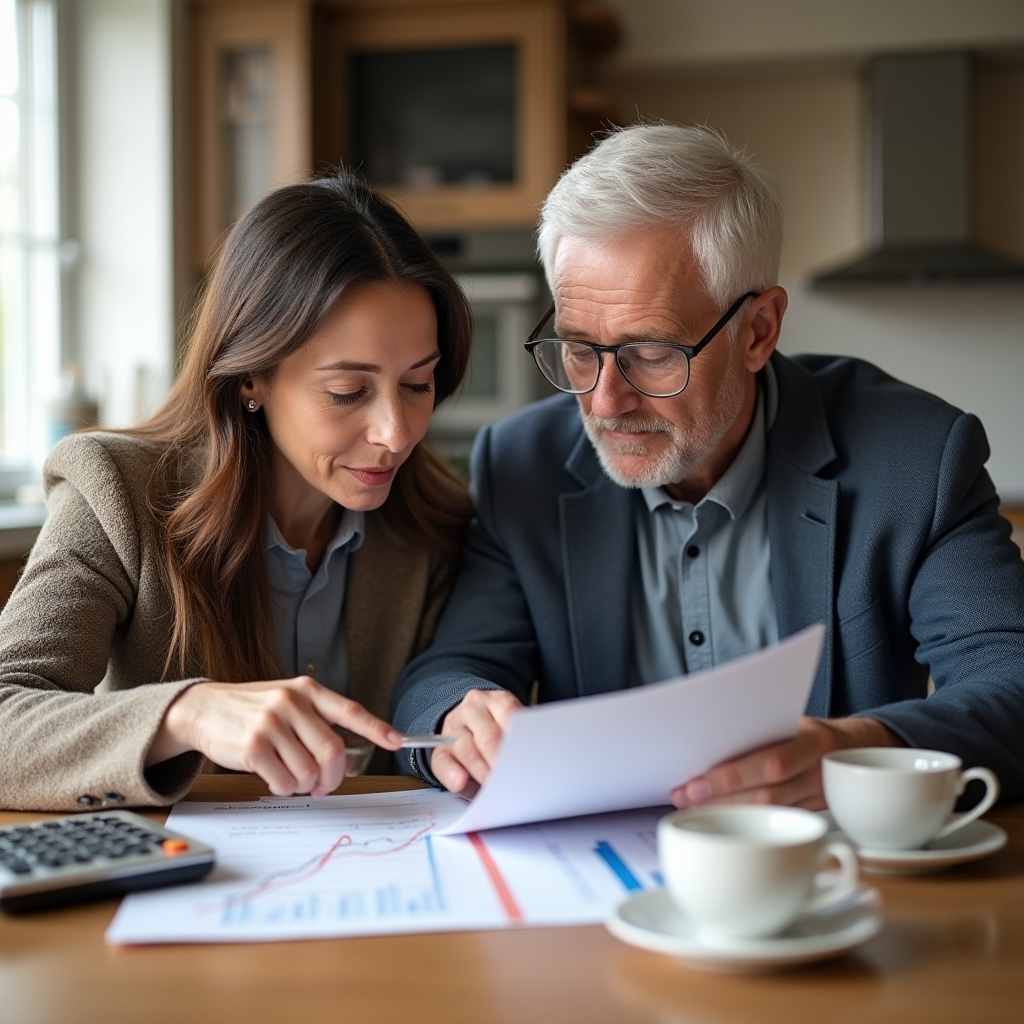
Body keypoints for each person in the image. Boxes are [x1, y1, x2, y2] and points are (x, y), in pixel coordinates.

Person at [391, 124, 1024, 808]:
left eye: (654, 351)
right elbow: (444, 674)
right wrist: (460, 712)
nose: (606, 400)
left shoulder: (916, 458)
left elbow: (1011, 684)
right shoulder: (525, 466)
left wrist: (851, 755)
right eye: (578, 348)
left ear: (758, 331)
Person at [0, 173, 474, 811]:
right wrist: (186, 713)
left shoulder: (433, 520)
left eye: (417, 385)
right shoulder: (115, 491)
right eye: (347, 392)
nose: (395, 434)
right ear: (251, 377)